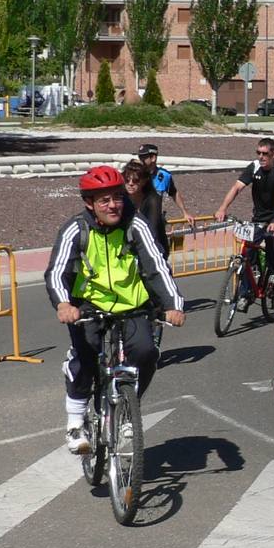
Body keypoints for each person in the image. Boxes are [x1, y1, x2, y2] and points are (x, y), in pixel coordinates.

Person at [47, 166, 186, 454]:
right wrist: (63, 304)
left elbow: (157, 266)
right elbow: (57, 271)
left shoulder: (136, 225)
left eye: (117, 197)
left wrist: (173, 304)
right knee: (86, 356)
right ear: (89, 203)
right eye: (104, 200)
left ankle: (126, 409)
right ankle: (76, 422)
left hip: (132, 305)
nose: (113, 205)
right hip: (88, 306)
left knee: (147, 353)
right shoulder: (77, 229)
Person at [214, 136, 274, 287]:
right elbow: (237, 187)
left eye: (265, 154)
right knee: (247, 249)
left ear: (273, 154)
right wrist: (222, 208)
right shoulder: (254, 166)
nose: (261, 157)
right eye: (258, 153)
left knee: (270, 235)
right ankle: (245, 293)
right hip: (260, 216)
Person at [136, 143, 196, 225]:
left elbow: (174, 193)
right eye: (140, 157)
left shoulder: (164, 176)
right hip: (137, 220)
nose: (141, 160)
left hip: (156, 220)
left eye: (144, 157)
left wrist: (185, 213)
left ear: (153, 158)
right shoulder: (136, 175)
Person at [121, 159, 166, 258]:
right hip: (128, 249)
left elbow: (153, 231)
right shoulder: (121, 198)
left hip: (153, 248)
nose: (130, 183)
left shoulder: (153, 200)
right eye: (127, 180)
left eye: (136, 180)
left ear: (144, 181)